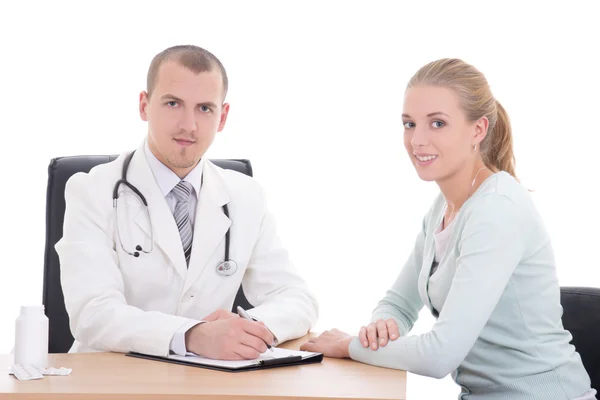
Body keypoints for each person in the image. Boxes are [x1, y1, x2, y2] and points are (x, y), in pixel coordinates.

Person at [301, 58, 595, 399]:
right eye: (409, 124)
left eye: (437, 123)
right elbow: (398, 302)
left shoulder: (497, 211)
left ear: (478, 130)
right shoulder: (444, 207)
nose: (417, 140)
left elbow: (441, 355)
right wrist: (383, 326)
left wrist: (350, 345)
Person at [55, 45, 318, 361]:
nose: (189, 125)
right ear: (144, 105)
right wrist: (192, 335)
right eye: (173, 103)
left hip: (207, 379)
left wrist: (245, 328)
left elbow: (297, 299)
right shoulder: (91, 190)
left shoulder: (247, 196)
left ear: (223, 117)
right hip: (113, 376)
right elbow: (92, 313)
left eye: (205, 108)